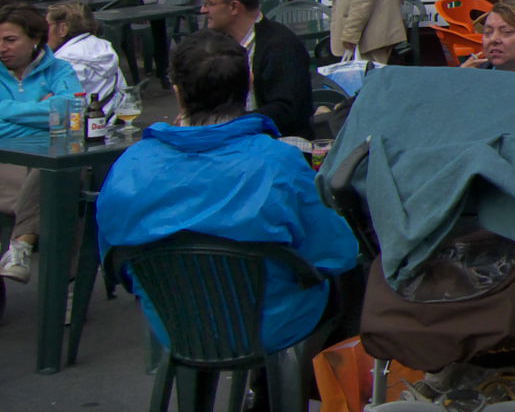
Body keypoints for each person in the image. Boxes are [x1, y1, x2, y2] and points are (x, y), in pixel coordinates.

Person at [96, 29, 359, 355]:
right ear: (249, 83)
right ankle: (293, 390)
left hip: (173, 322)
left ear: (177, 92)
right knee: (354, 280)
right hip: (269, 325)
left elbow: (114, 260)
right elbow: (338, 252)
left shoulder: (130, 164)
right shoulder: (278, 162)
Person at [0, 5, 83, 282]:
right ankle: (66, 290)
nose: (1, 47)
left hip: (42, 171)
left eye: (10, 40)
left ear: (35, 40)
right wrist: (45, 118)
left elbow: (73, 110)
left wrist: (4, 110)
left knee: (56, 175)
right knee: (64, 190)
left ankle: (21, 247)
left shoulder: (60, 70)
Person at [202, 0, 313, 138]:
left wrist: (230, 123)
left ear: (234, 7)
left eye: (209, 3)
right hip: (232, 139)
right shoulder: (215, 43)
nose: (203, 10)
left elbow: (287, 110)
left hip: (276, 146)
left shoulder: (282, 46)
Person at [46, 1, 127, 108]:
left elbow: (56, 105)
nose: (41, 32)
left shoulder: (65, 60)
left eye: (46, 26)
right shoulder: (103, 47)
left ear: (62, 29)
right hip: (114, 119)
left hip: (84, 122)